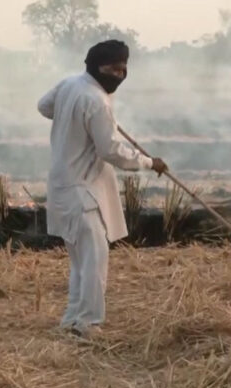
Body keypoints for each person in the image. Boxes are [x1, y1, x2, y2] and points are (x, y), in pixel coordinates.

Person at [37, 39, 167, 337]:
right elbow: (111, 150)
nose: (119, 75)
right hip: (82, 192)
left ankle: (72, 320)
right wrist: (148, 163)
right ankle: (88, 324)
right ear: (96, 66)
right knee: (94, 261)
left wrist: (72, 116)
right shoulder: (96, 101)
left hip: (63, 188)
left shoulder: (70, 85)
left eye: (124, 69)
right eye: (113, 69)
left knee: (81, 262)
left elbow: (44, 107)